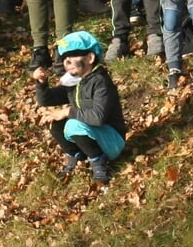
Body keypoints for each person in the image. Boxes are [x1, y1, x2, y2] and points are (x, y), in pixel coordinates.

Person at [33, 31, 127, 183]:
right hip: (93, 134)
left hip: (112, 140)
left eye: (73, 56)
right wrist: (41, 83)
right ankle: (77, 156)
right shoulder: (75, 81)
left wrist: (67, 111)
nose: (67, 61)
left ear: (90, 58)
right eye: (65, 58)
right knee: (54, 121)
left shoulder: (100, 82)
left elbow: (97, 118)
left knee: (73, 124)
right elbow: (46, 100)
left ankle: (99, 163)